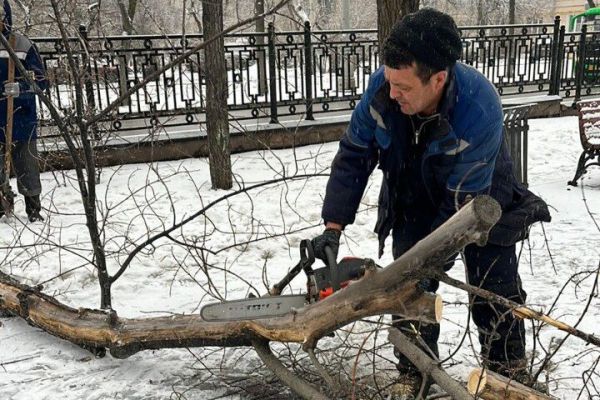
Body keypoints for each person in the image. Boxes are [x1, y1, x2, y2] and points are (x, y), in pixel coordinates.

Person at [311, 8, 551, 399]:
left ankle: (507, 375)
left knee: (495, 288)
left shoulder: (478, 108)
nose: (392, 93)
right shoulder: (382, 91)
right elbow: (354, 154)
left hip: (482, 196)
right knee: (407, 286)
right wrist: (332, 227)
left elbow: (460, 212)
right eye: (390, 82)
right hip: (412, 192)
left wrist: (431, 266)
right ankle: (414, 371)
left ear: (438, 79)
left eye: (403, 87)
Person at [0, 0, 47, 222]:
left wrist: (22, 87)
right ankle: (2, 208)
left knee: (27, 164)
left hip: (21, 118)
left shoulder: (22, 45)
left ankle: (33, 209)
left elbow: (42, 80)